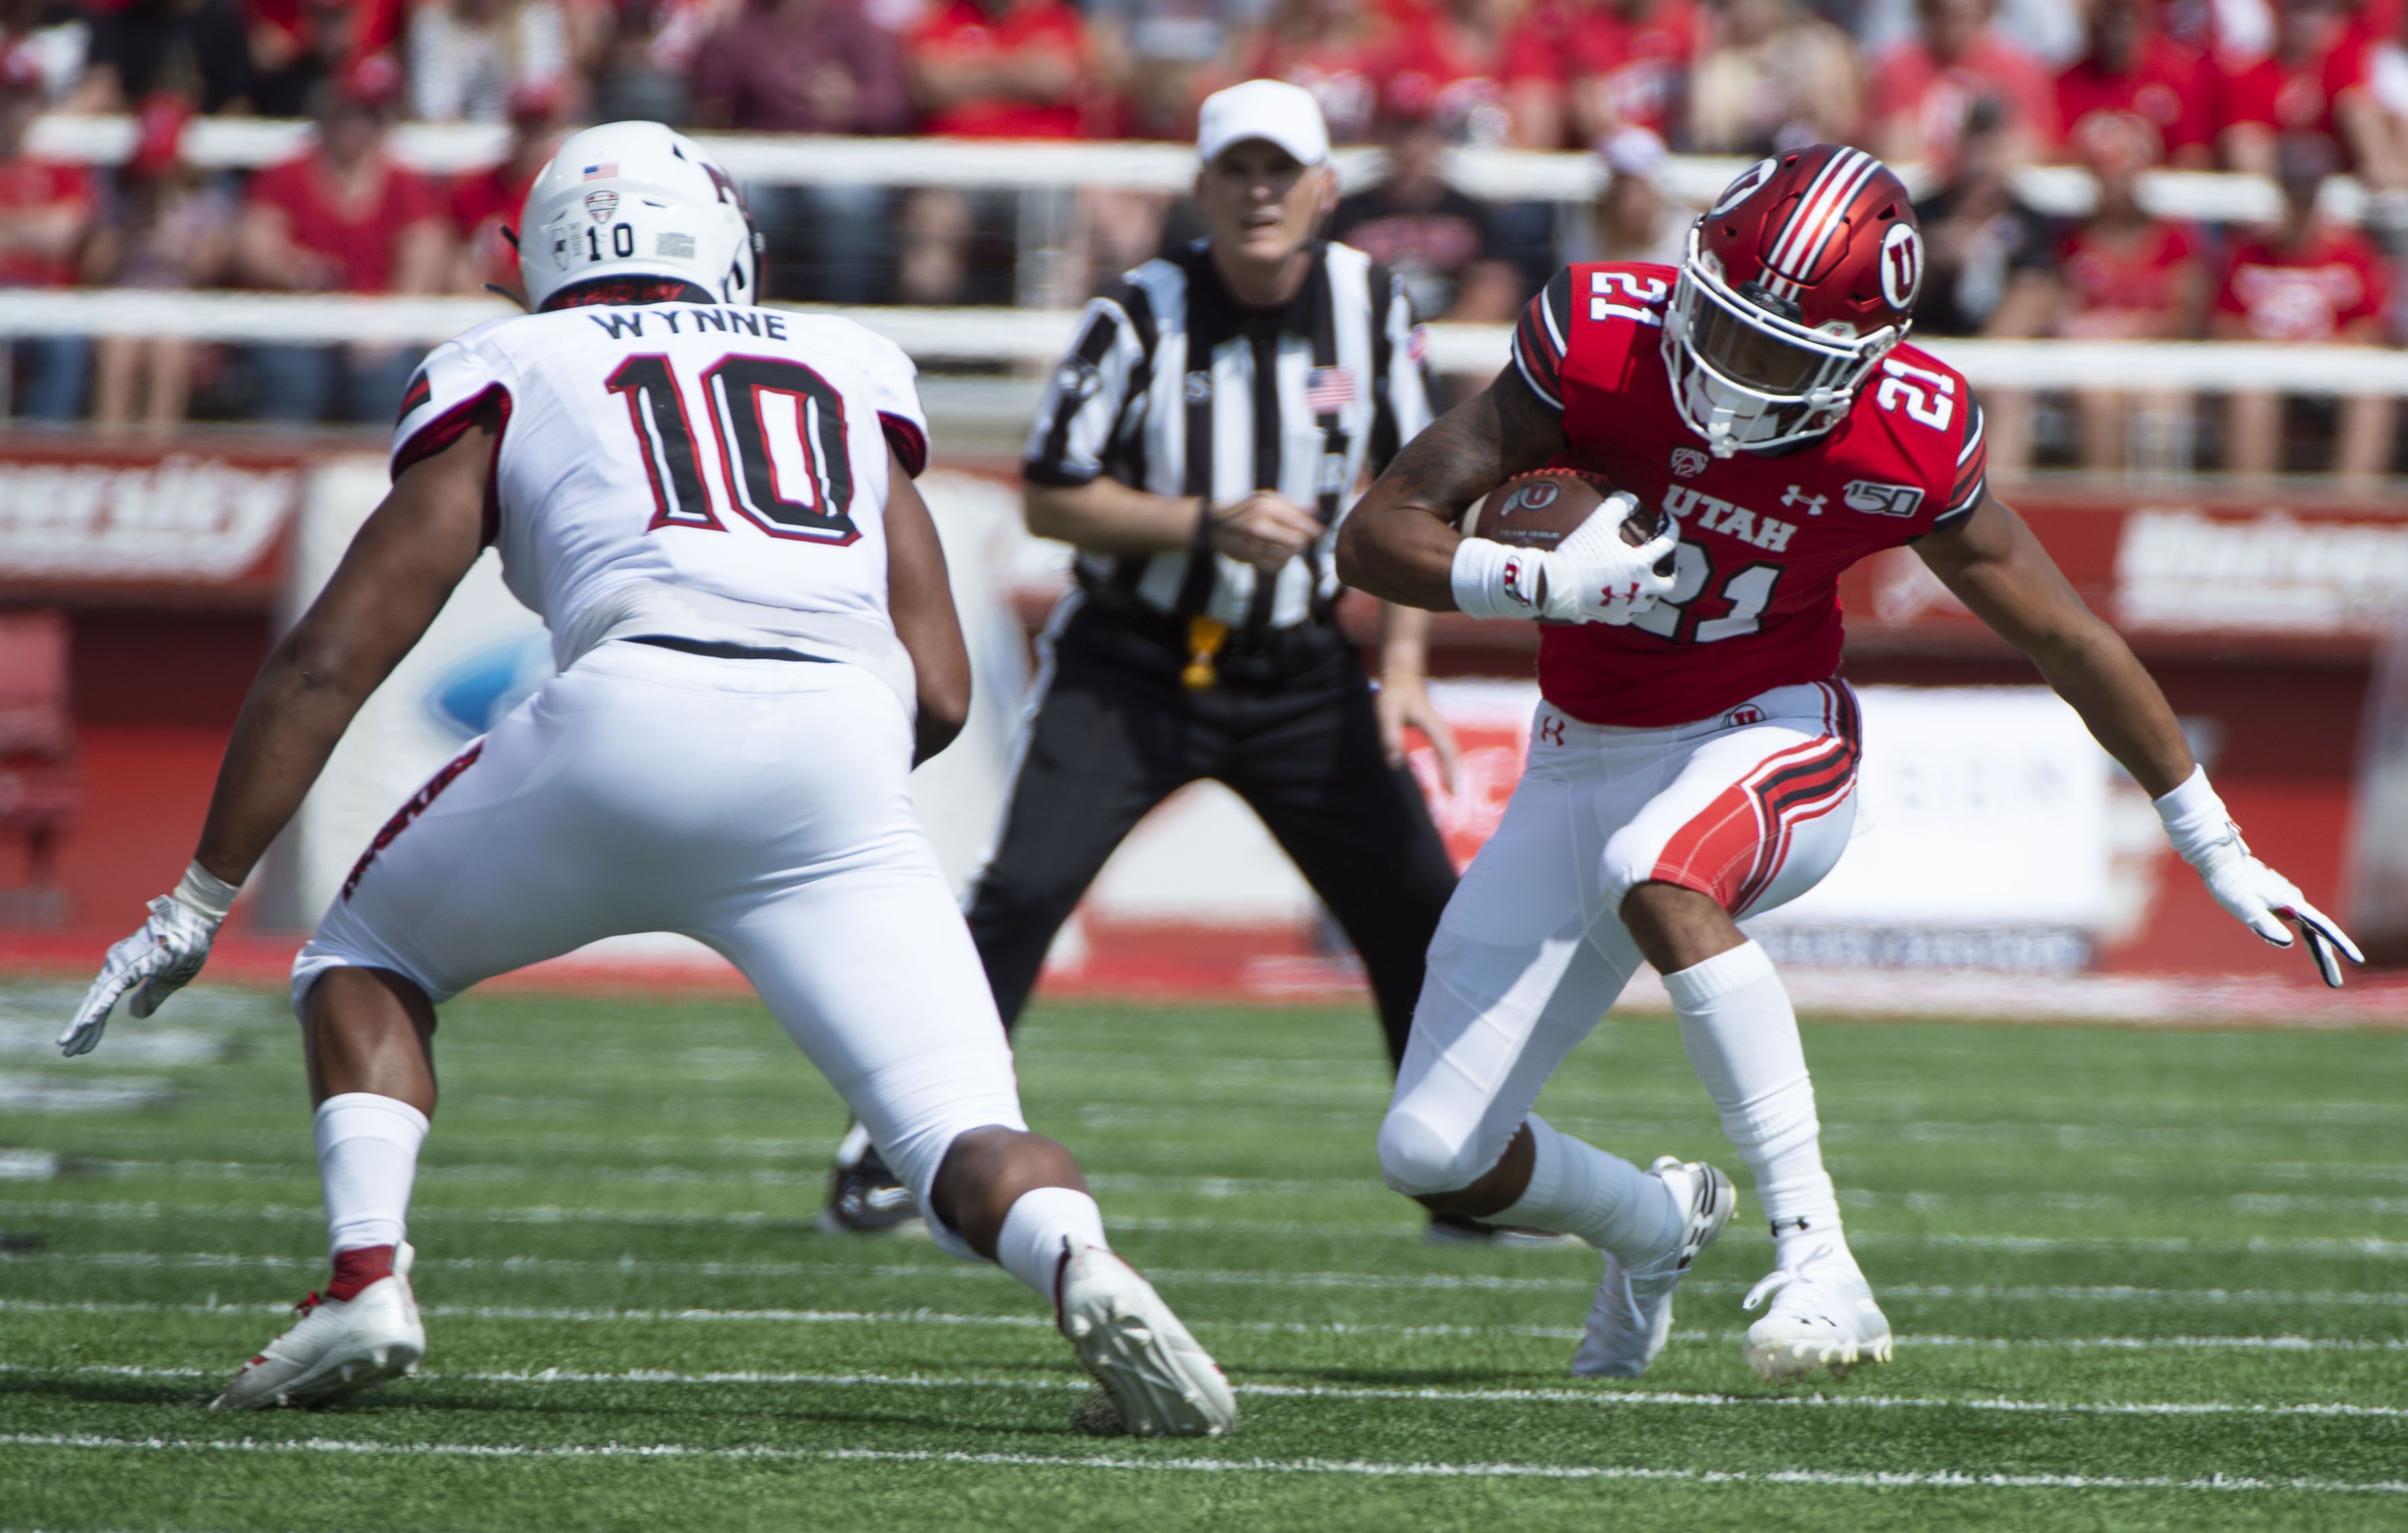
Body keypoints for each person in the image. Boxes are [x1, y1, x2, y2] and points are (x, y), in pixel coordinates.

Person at [55, 120, 1236, 1439]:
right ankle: (1078, 1257)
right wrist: (795, 776)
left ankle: (366, 1278)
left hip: (627, 714)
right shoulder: (844, 362)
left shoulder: (508, 360)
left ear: (548, 252)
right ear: (723, 243)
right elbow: (945, 688)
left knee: (360, 959)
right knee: (958, 1131)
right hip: (840, 748)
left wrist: (196, 902)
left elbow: (329, 660)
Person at [1337, 143, 2361, 1386]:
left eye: (1779, 354)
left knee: (1656, 869)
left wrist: (2212, 838)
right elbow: (1378, 531)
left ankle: (1822, 1258)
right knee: (1432, 1149)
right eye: (1722, 324)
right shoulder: (1600, 335)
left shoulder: (1903, 432)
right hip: (1574, 752)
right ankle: (1657, 1222)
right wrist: (1530, 577)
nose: (1729, 372)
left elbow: (2061, 631)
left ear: (1856, 358)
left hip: (1764, 730)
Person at [818, 80, 1473, 1245]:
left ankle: (1465, 1169)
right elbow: (1056, 496)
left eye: (1284, 170)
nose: (1262, 191)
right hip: (1132, 660)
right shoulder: (1139, 310)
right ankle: (893, 1147)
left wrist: (1407, 663)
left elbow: (1410, 501)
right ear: (1203, 187)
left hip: (1302, 669)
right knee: (1020, 893)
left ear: (1325, 188)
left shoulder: (1371, 304)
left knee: (1417, 903)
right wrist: (1200, 522)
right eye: (1239, 170)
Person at [235, 53, 450, 423]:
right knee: (291, 378)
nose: (357, 125)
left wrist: (388, 326)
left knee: (388, 378)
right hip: (298, 318)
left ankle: (379, 474)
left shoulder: (403, 181)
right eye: (350, 111)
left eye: (369, 114)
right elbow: (254, 244)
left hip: (375, 327)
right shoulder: (289, 172)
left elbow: (425, 251)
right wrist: (295, 270)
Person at [2211, 133, 2399, 481]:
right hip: (2267, 367)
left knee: (2373, 398)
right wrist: (2272, 347)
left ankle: (2349, 510)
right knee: (2251, 395)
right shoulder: (2249, 252)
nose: (2301, 198)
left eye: (2308, 188)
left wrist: (2324, 349)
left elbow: (2373, 327)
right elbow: (2223, 323)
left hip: (2332, 369)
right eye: (2293, 186)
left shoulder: (2351, 253)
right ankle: (2251, 508)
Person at [2049, 114, 2208, 473]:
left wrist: (2132, 331)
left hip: (2157, 355)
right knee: (2100, 398)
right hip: (2093, 361)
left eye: (2123, 168)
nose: (2114, 180)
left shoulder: (2174, 238)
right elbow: (2063, 310)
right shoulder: (2073, 241)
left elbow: (2185, 313)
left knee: (2162, 402)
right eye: (2104, 169)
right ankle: (2105, 512)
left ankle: (2160, 512)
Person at [0, 42, 91, 423]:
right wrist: (35, 225)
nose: (14, 110)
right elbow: (49, 231)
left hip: (47, 293)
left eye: (24, 99)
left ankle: (45, 457)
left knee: (67, 349)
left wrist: (7, 226)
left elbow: (63, 237)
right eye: (7, 98)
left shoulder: (61, 166)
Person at [1868, 0, 2059, 166]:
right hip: (1922, 193)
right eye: (1942, 13)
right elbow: (1892, 148)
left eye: (1962, 16)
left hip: (1994, 192)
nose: (1953, 25)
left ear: (1985, 12)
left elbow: (2033, 149)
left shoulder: (2019, 70)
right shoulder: (1898, 68)